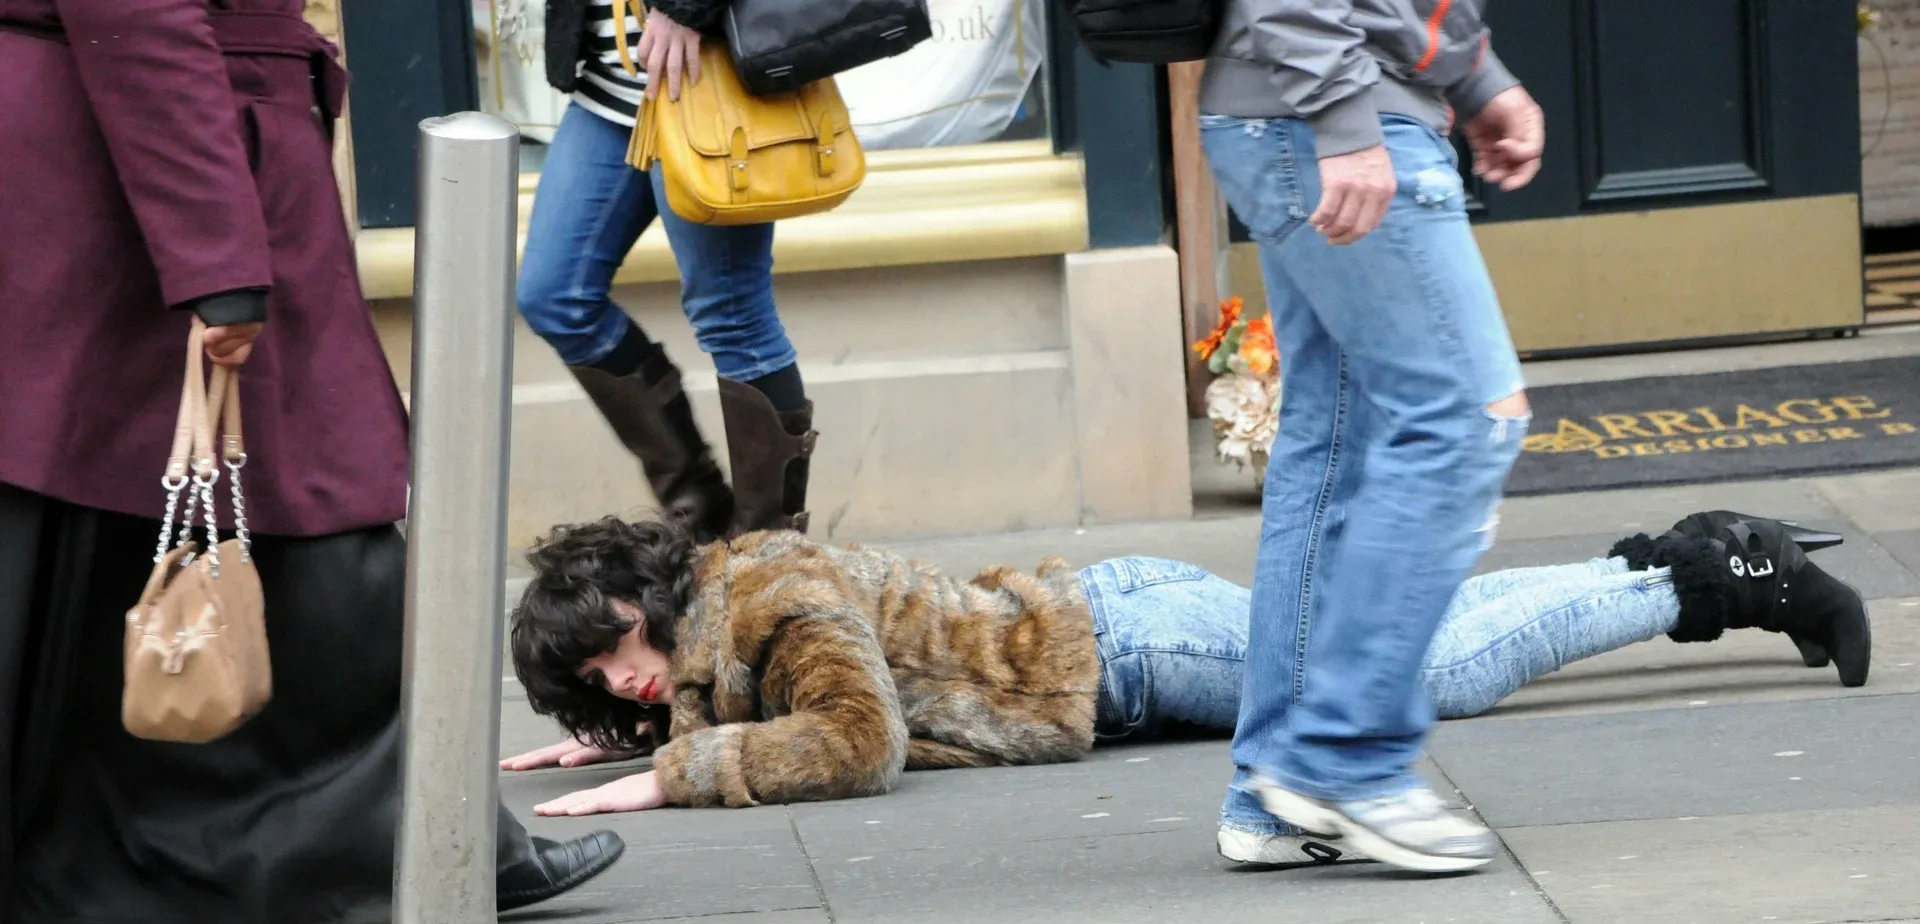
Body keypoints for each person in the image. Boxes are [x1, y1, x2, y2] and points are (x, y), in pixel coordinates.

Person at [0, 0, 622, 924]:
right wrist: (217, 256)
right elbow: (137, 18)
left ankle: (402, 840)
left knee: (267, 521)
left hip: (160, 168)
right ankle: (401, 840)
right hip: (139, 172)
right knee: (136, 533)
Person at [501, 512, 1870, 868]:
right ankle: (1686, 559)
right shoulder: (724, 612)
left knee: (1435, 672)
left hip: (1137, 655)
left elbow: (860, 743)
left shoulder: (769, 600)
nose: (619, 682)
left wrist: (673, 772)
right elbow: (735, 700)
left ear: (649, 593)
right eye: (592, 685)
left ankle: (1712, 582)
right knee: (1424, 640)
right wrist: (632, 739)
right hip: (1122, 618)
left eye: (613, 647)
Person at [1197, 0, 1545, 874]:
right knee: (1464, 419)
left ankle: (1278, 789)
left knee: (1338, 442)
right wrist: (1348, 122)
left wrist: (1474, 79)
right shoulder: (1340, 118)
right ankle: (1345, 760)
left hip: (1309, 109)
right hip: (1333, 115)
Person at [524, 0, 814, 540]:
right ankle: (697, 507)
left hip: (706, 78)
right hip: (611, 89)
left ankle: (768, 548)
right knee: (554, 295)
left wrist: (685, 7)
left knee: (732, 315)